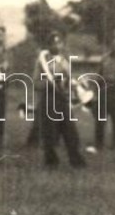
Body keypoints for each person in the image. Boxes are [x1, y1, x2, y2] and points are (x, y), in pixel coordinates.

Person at [33, 31, 86, 169]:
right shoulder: (42, 61)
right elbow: (36, 83)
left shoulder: (64, 60)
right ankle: (51, 162)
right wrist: (52, 82)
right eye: (53, 43)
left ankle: (76, 160)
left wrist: (73, 85)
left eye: (58, 42)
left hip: (62, 99)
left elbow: (68, 79)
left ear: (62, 44)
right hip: (49, 99)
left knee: (71, 131)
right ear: (48, 45)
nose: (56, 45)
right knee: (49, 133)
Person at [94, 30, 115, 150]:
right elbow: (98, 75)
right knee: (100, 120)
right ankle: (99, 144)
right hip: (104, 91)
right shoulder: (104, 58)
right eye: (113, 43)